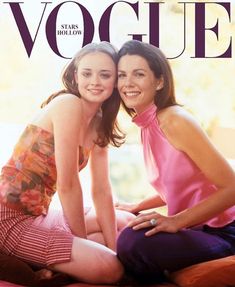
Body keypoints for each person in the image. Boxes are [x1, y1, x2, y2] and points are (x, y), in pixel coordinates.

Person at [0, 41, 134, 285]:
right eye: (87, 73)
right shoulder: (68, 104)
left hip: (39, 214)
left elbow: (102, 190)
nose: (95, 81)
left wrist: (115, 248)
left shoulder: (100, 122)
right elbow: (68, 184)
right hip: (7, 216)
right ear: (75, 75)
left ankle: (50, 260)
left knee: (125, 222)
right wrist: (82, 242)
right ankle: (35, 263)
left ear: (115, 81)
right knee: (111, 269)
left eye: (105, 75)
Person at [116, 40, 235, 284]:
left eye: (138, 74)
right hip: (197, 228)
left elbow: (232, 188)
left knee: (133, 243)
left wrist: (175, 221)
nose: (127, 83)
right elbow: (182, 185)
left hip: (225, 232)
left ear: (159, 81)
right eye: (122, 75)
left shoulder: (175, 121)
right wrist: (136, 206)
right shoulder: (147, 124)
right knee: (123, 225)